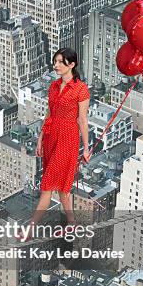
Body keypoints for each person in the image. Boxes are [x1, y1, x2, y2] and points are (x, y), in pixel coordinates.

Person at [18, 48, 91, 241]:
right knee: (62, 190)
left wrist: (86, 147)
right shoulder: (53, 86)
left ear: (72, 65)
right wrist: (41, 138)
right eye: (55, 61)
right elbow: (48, 115)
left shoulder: (81, 89)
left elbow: (82, 120)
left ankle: (30, 229)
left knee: (48, 186)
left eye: (60, 62)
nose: (56, 65)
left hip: (68, 138)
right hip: (51, 136)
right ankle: (72, 224)